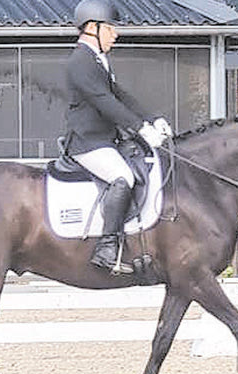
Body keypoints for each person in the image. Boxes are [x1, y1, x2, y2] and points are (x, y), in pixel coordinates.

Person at [64, 0, 172, 274]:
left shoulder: (98, 60)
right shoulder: (80, 61)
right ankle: (107, 248)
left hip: (104, 140)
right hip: (87, 142)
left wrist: (152, 119)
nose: (116, 33)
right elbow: (104, 102)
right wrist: (141, 129)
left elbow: (121, 96)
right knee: (122, 177)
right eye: (110, 28)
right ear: (92, 28)